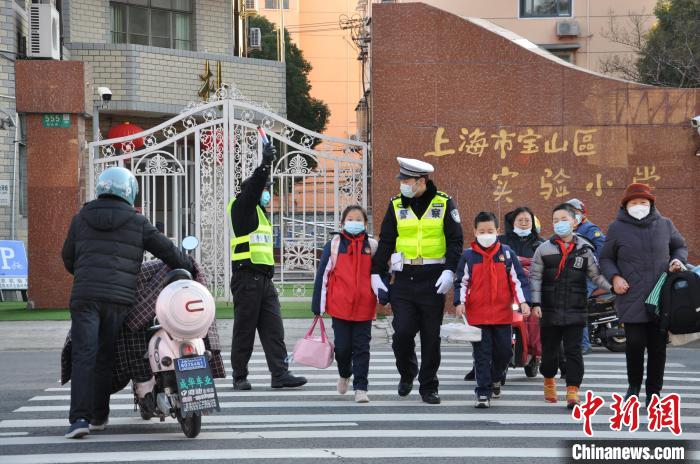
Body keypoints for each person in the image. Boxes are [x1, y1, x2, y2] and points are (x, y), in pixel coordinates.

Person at [61, 167, 194, 439]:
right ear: (130, 192)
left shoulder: (81, 217)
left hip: (85, 297)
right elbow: (169, 253)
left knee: (84, 355)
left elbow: (68, 257)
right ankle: (99, 416)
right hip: (119, 300)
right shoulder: (138, 221)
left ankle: (80, 421)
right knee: (104, 355)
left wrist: (87, 276)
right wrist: (190, 265)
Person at [371, 157, 464, 405]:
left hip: (433, 279)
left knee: (431, 338)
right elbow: (387, 240)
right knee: (402, 333)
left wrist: (450, 271)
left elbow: (456, 241)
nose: (402, 184)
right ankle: (407, 372)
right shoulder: (396, 205)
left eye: (407, 180)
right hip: (403, 279)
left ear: (421, 181)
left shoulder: (444, 203)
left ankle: (429, 386)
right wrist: (376, 273)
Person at [227, 138, 306, 391]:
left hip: (264, 280)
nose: (267, 193)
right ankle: (240, 376)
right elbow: (252, 190)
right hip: (246, 278)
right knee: (244, 330)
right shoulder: (241, 207)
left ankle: (280, 374)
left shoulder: (261, 214)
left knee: (274, 329)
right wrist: (265, 164)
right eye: (264, 188)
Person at [599, 183, 687, 405]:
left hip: (661, 295)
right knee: (635, 344)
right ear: (626, 205)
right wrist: (615, 278)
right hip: (631, 296)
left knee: (658, 347)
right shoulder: (617, 228)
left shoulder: (665, 224)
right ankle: (634, 386)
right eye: (634, 202)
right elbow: (606, 258)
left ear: (651, 204)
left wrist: (678, 260)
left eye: (643, 202)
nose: (639, 206)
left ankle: (654, 392)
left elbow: (679, 246)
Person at [529, 203, 611, 409]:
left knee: (574, 351)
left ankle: (573, 391)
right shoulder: (544, 249)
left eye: (563, 219)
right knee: (550, 351)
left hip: (575, 308)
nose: (559, 224)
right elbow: (535, 277)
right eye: (555, 220)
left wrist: (614, 287)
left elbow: (595, 275)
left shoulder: (584, 249)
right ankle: (549, 380)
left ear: (575, 222)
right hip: (549, 309)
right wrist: (535, 303)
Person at [454, 212, 531, 408]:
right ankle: (483, 392)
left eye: (490, 231)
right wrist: (459, 302)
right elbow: (461, 282)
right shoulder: (468, 256)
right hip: (478, 316)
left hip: (503, 315)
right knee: (482, 355)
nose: (486, 234)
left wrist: (523, 302)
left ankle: (496, 379)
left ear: (497, 231)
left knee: (504, 353)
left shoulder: (506, 254)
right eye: (482, 231)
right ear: (474, 232)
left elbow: (518, 280)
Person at [464, 206, 543, 381]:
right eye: (520, 220)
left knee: (537, 321)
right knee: (481, 339)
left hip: (527, 291)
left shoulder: (540, 243)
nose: (523, 223)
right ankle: (479, 368)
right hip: (501, 294)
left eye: (527, 220)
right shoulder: (502, 243)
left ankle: (537, 355)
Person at [312, 206, 377, 403]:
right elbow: (323, 274)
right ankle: (344, 373)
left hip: (364, 308)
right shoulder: (334, 244)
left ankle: (361, 388)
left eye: (359, 219)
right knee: (342, 348)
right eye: (350, 218)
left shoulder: (372, 246)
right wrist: (318, 305)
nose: (354, 222)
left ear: (365, 223)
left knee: (362, 348)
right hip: (339, 307)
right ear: (342, 223)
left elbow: (379, 274)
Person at [567, 198, 606, 355]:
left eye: (575, 213)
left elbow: (602, 253)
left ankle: (583, 344)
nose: (572, 216)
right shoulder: (566, 230)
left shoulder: (590, 229)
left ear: (583, 214)